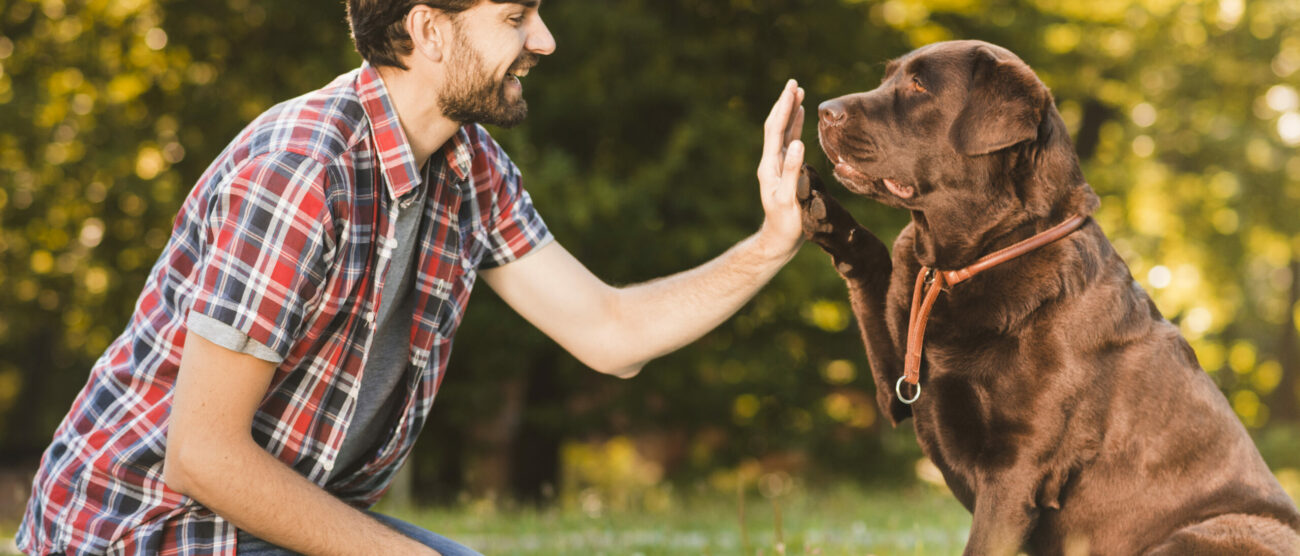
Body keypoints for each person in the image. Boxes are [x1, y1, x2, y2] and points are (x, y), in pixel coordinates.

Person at [16, 0, 808, 554]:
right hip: (145, 530)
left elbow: (612, 334)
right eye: (514, 16)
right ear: (430, 29)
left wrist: (771, 242)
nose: (545, 40)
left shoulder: (470, 169)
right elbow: (202, 455)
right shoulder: (301, 172)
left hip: (256, 523)